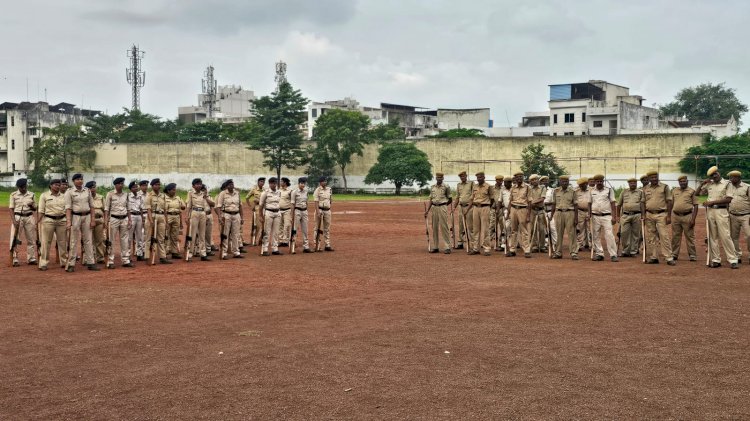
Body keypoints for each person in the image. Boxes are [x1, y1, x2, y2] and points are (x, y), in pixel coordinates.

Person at [698, 167, 738, 268]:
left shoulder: (727, 184)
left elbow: (728, 199)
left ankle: (733, 260)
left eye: (715, 174)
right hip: (710, 212)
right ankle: (716, 260)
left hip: (721, 211)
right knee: (712, 237)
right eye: (712, 175)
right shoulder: (709, 184)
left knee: (725, 236)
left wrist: (711, 202)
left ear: (719, 173)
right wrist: (702, 184)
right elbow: (697, 194)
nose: (714, 176)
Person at [64, 173, 99, 272]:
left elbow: (92, 206)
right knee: (73, 241)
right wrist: (68, 221)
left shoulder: (87, 191)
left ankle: (91, 262)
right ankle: (71, 264)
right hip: (75, 216)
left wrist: (92, 220)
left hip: (87, 216)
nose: (80, 181)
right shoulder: (69, 192)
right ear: (73, 181)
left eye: (81, 179)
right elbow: (68, 208)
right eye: (78, 179)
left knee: (88, 240)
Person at [641, 170, 676, 266]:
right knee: (651, 236)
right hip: (649, 214)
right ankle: (654, 257)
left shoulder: (664, 187)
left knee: (664, 235)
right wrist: (643, 215)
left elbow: (669, 201)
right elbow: (643, 202)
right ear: (649, 179)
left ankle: (669, 257)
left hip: (662, 214)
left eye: (655, 177)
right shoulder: (645, 188)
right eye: (652, 177)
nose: (654, 179)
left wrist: (669, 215)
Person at [37, 179, 67, 271]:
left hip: (62, 220)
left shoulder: (64, 196)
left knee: (62, 242)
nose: (58, 186)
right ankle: (43, 263)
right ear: (50, 185)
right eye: (56, 185)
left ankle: (64, 261)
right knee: (46, 242)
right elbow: (41, 210)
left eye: (59, 185)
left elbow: (67, 209)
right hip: (48, 220)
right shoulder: (44, 195)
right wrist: (38, 221)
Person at [104, 177, 133, 268]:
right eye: (119, 184)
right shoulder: (110, 194)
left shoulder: (126, 194)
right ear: (115, 185)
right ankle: (110, 260)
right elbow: (106, 208)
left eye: (122, 183)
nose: (121, 185)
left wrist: (130, 219)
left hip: (124, 218)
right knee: (111, 240)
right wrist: (106, 220)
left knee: (125, 240)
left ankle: (125, 260)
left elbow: (128, 207)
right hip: (113, 218)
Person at [8, 178, 38, 267]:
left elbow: (35, 208)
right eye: (22, 187)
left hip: (29, 217)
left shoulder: (32, 195)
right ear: (18, 187)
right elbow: (11, 208)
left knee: (31, 238)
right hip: (18, 217)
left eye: (25, 187)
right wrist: (14, 221)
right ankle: (14, 258)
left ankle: (31, 258)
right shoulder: (13, 195)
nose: (24, 189)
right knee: (15, 239)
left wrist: (31, 205)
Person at [589, 174, 618, 262]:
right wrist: (589, 214)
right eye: (597, 181)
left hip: (606, 216)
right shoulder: (591, 191)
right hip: (595, 216)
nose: (599, 183)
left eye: (601, 181)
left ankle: (613, 255)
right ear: (595, 182)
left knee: (609, 235)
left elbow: (613, 203)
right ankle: (599, 254)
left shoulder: (608, 190)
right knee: (595, 235)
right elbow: (589, 203)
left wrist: (614, 216)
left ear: (603, 181)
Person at [465, 172, 494, 255]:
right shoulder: (475, 186)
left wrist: (487, 206)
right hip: (475, 208)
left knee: (485, 229)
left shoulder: (488, 186)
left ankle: (487, 248)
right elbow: (471, 199)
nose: (479, 178)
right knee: (476, 229)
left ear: (484, 177)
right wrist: (467, 209)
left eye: (481, 177)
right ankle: (475, 248)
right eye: (478, 177)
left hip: (485, 208)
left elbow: (492, 199)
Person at [550, 175, 579, 260]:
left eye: (566, 181)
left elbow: (576, 205)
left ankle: (573, 252)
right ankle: (558, 252)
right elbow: (554, 204)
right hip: (558, 213)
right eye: (563, 181)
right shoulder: (556, 191)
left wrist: (576, 218)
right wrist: (551, 216)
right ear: (560, 182)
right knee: (559, 233)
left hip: (570, 213)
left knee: (572, 233)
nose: (565, 183)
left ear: (568, 182)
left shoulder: (573, 191)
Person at [670, 175, 698, 261]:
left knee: (689, 236)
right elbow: (671, 203)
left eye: (684, 181)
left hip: (687, 216)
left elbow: (696, 206)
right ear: (679, 182)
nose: (682, 183)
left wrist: (693, 219)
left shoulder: (692, 191)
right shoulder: (674, 191)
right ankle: (674, 254)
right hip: (675, 216)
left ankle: (692, 255)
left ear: (687, 181)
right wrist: (668, 215)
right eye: (681, 181)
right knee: (675, 236)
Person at [186, 178, 214, 261]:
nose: (199, 185)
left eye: (200, 184)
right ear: (193, 186)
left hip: (202, 213)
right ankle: (190, 253)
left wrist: (206, 197)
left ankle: (203, 253)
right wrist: (187, 216)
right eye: (197, 184)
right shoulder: (190, 193)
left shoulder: (203, 194)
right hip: (194, 212)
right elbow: (188, 206)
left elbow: (209, 204)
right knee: (193, 234)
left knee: (202, 234)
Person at [215, 179, 244, 259]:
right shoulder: (223, 193)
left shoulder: (237, 193)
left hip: (236, 214)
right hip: (226, 215)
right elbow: (219, 206)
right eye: (229, 184)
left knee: (236, 234)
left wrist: (242, 217)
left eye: (232, 184)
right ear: (227, 186)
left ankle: (236, 252)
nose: (231, 185)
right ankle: (224, 253)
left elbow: (240, 206)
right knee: (225, 234)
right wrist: (220, 217)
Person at [425, 172, 452, 254]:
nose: (439, 179)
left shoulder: (446, 187)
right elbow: (431, 199)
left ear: (443, 178)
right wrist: (427, 210)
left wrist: (444, 205)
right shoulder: (432, 187)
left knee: (444, 227)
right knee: (434, 227)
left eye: (440, 177)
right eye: (437, 177)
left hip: (442, 207)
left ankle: (447, 246)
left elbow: (450, 199)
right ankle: (436, 246)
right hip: (434, 208)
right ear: (436, 178)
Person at [145, 178, 171, 264]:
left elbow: (165, 210)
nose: (158, 186)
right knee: (149, 237)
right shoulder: (149, 195)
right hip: (152, 216)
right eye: (156, 185)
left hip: (161, 216)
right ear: (152, 186)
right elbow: (148, 209)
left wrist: (166, 221)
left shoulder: (162, 195)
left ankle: (162, 257)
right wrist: (150, 220)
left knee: (161, 238)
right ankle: (147, 257)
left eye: (159, 184)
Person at [727, 170, 750, 264]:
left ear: (739, 178)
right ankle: (737, 255)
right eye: (730, 177)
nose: (732, 179)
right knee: (733, 237)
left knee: (749, 235)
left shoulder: (747, 187)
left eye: (734, 177)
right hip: (733, 215)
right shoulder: (728, 187)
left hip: (746, 215)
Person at [616, 178, 643, 258]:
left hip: (637, 215)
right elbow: (619, 205)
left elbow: (642, 204)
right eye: (631, 183)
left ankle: (633, 251)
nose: (633, 184)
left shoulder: (640, 192)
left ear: (636, 183)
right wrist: (618, 216)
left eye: (634, 182)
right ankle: (625, 251)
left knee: (636, 234)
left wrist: (643, 215)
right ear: (628, 183)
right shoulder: (624, 192)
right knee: (624, 233)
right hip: (625, 215)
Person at [508, 171, 531, 257]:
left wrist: (528, 215)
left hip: (523, 209)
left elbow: (529, 202)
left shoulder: (527, 188)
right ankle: (512, 250)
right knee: (513, 230)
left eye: (521, 177)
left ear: (523, 177)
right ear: (515, 178)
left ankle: (526, 250)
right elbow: (510, 201)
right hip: (514, 209)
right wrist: (509, 212)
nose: (519, 178)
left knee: (524, 230)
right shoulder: (513, 188)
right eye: (517, 177)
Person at [259, 177, 282, 256]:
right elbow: (261, 205)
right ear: (269, 184)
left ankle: (275, 249)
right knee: (267, 231)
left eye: (275, 183)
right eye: (272, 183)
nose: (274, 184)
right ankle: (265, 249)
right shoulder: (265, 193)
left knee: (276, 232)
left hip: (277, 213)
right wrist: (260, 216)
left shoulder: (279, 192)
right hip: (269, 212)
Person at [453, 171, 474, 250]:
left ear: (466, 176)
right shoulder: (459, 185)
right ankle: (460, 242)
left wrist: (469, 207)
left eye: (464, 176)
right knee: (461, 225)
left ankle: (472, 243)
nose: (462, 178)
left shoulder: (471, 184)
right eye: (461, 177)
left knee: (470, 225)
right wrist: (454, 207)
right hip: (461, 207)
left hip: (469, 207)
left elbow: (473, 196)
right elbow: (457, 197)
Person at [164, 183, 186, 259]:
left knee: (175, 235)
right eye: (173, 190)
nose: (174, 191)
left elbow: (183, 207)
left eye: (175, 189)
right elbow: (164, 211)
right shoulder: (164, 198)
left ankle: (174, 252)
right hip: (168, 216)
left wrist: (182, 206)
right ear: (168, 191)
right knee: (166, 235)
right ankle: (165, 251)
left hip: (176, 216)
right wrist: (166, 221)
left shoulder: (178, 198)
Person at [290, 177, 312, 253]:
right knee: (294, 229)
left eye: (304, 183)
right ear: (298, 183)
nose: (303, 185)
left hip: (304, 211)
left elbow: (307, 202)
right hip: (297, 211)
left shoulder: (306, 192)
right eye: (302, 183)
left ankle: (306, 247)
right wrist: (292, 215)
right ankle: (292, 245)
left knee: (305, 229)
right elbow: (292, 204)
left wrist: (306, 211)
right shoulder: (294, 192)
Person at [313, 176, 334, 251]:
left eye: (325, 181)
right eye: (323, 181)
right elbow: (316, 202)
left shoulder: (329, 189)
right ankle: (317, 245)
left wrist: (329, 207)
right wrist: (318, 212)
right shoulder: (317, 190)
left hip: (327, 210)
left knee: (327, 228)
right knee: (317, 228)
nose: (325, 182)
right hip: (320, 210)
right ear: (320, 182)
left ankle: (327, 244)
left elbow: (330, 200)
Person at [88, 181, 106, 264]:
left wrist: (105, 220)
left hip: (99, 220)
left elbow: (105, 210)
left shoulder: (101, 197)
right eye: (90, 188)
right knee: (88, 240)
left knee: (99, 240)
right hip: (88, 221)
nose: (92, 189)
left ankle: (100, 257)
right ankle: (88, 258)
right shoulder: (85, 197)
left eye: (94, 187)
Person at [529, 174, 547, 253]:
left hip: (540, 210)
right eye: (532, 180)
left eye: (536, 179)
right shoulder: (529, 189)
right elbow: (528, 198)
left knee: (541, 229)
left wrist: (532, 202)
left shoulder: (543, 187)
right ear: (530, 182)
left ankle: (542, 246)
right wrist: (531, 204)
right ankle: (535, 246)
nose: (534, 181)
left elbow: (542, 198)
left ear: (538, 180)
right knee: (533, 228)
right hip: (532, 210)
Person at [127, 181, 145, 261]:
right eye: (134, 187)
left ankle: (139, 254)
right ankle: (128, 255)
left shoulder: (139, 196)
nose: (136, 188)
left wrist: (142, 218)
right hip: (131, 215)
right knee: (129, 237)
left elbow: (141, 208)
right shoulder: (128, 196)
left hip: (139, 216)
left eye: (136, 187)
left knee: (139, 236)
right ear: (130, 189)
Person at [245, 177, 266, 246]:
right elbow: (247, 197)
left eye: (263, 182)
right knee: (257, 225)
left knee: (264, 226)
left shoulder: (265, 190)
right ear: (258, 182)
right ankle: (253, 240)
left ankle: (260, 239)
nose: (262, 183)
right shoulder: (254, 189)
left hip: (265, 208)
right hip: (257, 209)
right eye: (261, 181)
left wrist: (259, 201)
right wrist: (250, 206)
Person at [574, 178, 591, 251]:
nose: (581, 187)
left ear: (586, 184)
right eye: (580, 185)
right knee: (580, 228)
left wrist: (590, 213)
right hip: (580, 211)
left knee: (590, 228)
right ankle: (579, 245)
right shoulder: (576, 192)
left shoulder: (591, 191)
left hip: (589, 211)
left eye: (582, 185)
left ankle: (590, 245)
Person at [542, 176, 557, 254]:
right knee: (544, 229)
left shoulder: (552, 190)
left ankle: (555, 244)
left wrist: (548, 203)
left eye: (547, 181)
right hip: (542, 211)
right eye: (543, 181)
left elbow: (555, 201)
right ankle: (545, 244)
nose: (545, 182)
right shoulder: (540, 190)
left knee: (553, 228)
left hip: (550, 211)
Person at [277, 177, 293, 247]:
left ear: (285, 183)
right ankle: (280, 240)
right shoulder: (278, 190)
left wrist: (292, 212)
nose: (280, 183)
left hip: (287, 210)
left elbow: (292, 202)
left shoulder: (290, 191)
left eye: (281, 182)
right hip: (279, 210)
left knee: (287, 225)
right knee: (280, 226)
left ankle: (286, 240)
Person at [490, 175, 504, 252]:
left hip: (501, 209)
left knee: (502, 227)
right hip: (493, 209)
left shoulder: (504, 188)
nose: (500, 181)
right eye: (499, 180)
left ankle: (501, 243)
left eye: (501, 180)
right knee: (491, 226)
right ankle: (488, 242)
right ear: (496, 180)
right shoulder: (492, 188)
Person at [202, 185, 216, 256]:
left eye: (205, 189)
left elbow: (213, 204)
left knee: (208, 233)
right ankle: (199, 250)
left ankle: (208, 250)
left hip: (209, 215)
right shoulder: (197, 197)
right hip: (201, 215)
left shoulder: (209, 197)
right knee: (200, 234)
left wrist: (206, 198)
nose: (205, 191)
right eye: (203, 190)